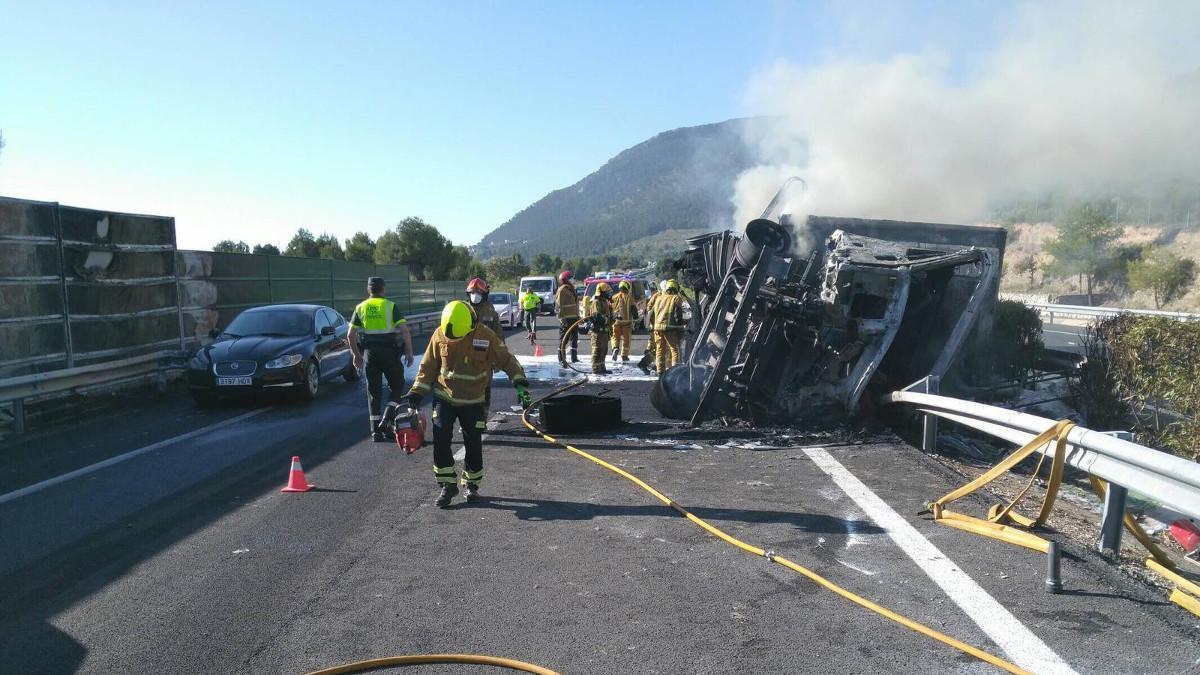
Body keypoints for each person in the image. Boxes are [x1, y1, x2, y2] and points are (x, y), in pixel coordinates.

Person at [408, 300, 531, 508]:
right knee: (441, 437)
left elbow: (506, 359)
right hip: (444, 397)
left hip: (474, 400)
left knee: (473, 442)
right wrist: (416, 394)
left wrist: (519, 382)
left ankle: (472, 484)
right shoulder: (440, 334)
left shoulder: (485, 336)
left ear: (470, 327)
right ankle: (447, 485)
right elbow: (428, 367)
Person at [348, 277, 415, 441]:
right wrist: (409, 351)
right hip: (389, 353)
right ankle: (388, 418)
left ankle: (375, 432)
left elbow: (350, 335)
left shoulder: (360, 307)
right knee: (398, 385)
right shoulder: (390, 306)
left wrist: (356, 356)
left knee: (373, 392)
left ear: (368, 290)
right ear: (383, 289)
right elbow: (405, 331)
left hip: (369, 354)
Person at [466, 277, 501, 412]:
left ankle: (482, 418)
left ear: (484, 294)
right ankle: (468, 420)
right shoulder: (463, 308)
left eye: (478, 293)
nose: (475, 296)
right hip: (465, 356)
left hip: (485, 358)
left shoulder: (490, 311)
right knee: (466, 389)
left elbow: (498, 337)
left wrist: (498, 360)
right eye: (472, 293)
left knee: (485, 389)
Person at [652, 279, 685, 373]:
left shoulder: (659, 298)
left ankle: (660, 371)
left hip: (657, 328)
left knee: (660, 350)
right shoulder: (676, 298)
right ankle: (675, 371)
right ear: (675, 288)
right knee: (674, 349)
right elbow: (677, 316)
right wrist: (681, 328)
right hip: (669, 328)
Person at [588, 282, 615, 375]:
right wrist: (607, 319)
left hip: (604, 331)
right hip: (597, 332)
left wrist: (613, 318)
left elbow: (607, 316)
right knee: (597, 350)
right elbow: (597, 316)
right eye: (606, 292)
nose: (608, 294)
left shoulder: (604, 302)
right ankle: (595, 368)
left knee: (604, 350)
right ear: (601, 292)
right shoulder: (596, 302)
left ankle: (602, 367)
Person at [555, 270, 580, 366]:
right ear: (565, 280)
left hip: (574, 318)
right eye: (571, 278)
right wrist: (562, 318)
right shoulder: (562, 290)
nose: (573, 280)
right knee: (563, 340)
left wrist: (578, 316)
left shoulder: (571, 289)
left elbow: (575, 304)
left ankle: (574, 358)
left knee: (574, 339)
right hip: (566, 319)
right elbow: (558, 306)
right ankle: (561, 358)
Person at [610, 280, 638, 361]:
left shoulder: (614, 297)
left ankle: (615, 348)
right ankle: (624, 356)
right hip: (627, 323)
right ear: (627, 288)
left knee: (615, 338)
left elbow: (610, 309)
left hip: (615, 322)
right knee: (626, 340)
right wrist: (636, 319)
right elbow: (634, 310)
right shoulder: (630, 298)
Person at [636, 284, 661, 373]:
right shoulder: (657, 296)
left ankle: (652, 364)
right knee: (658, 348)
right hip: (656, 327)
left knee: (655, 348)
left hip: (654, 327)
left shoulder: (652, 298)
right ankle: (645, 364)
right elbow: (650, 312)